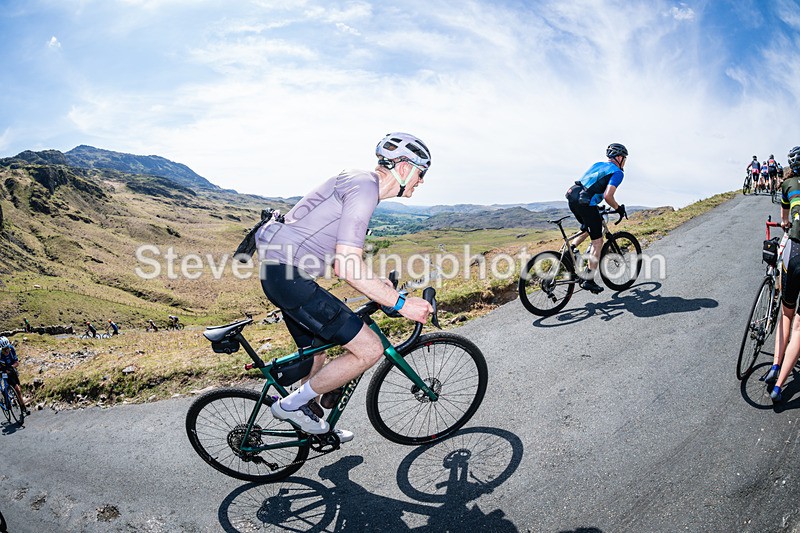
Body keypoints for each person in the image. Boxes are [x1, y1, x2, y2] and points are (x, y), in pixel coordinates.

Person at [255, 132, 433, 438]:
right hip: (289, 278)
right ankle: (291, 407)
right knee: (369, 349)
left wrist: (386, 291)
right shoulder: (365, 187)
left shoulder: (360, 184)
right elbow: (347, 266)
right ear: (404, 168)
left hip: (281, 276)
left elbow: (349, 261)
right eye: (421, 173)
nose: (422, 181)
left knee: (317, 353)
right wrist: (401, 304)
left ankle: (309, 421)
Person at [564, 143, 628, 294]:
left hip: (572, 195)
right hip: (586, 202)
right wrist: (618, 208)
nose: (624, 161)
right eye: (624, 158)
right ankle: (589, 280)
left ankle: (571, 249)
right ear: (619, 158)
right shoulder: (618, 172)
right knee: (597, 242)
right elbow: (608, 196)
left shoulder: (597, 164)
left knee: (590, 226)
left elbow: (588, 185)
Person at [767, 146, 800, 401]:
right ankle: (779, 388)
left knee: (787, 313)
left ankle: (775, 364)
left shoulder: (788, 184)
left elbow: (785, 219)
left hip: (795, 251)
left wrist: (788, 223)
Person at [0, 336, 30, 415]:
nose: (6, 350)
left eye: (7, 348)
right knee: (14, 388)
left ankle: (23, 407)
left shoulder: (11, 349)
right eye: (4, 349)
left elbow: (17, 363)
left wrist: (12, 367)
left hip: (11, 370)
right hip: (3, 371)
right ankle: (5, 395)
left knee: (19, 390)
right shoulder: (0, 354)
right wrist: (4, 370)